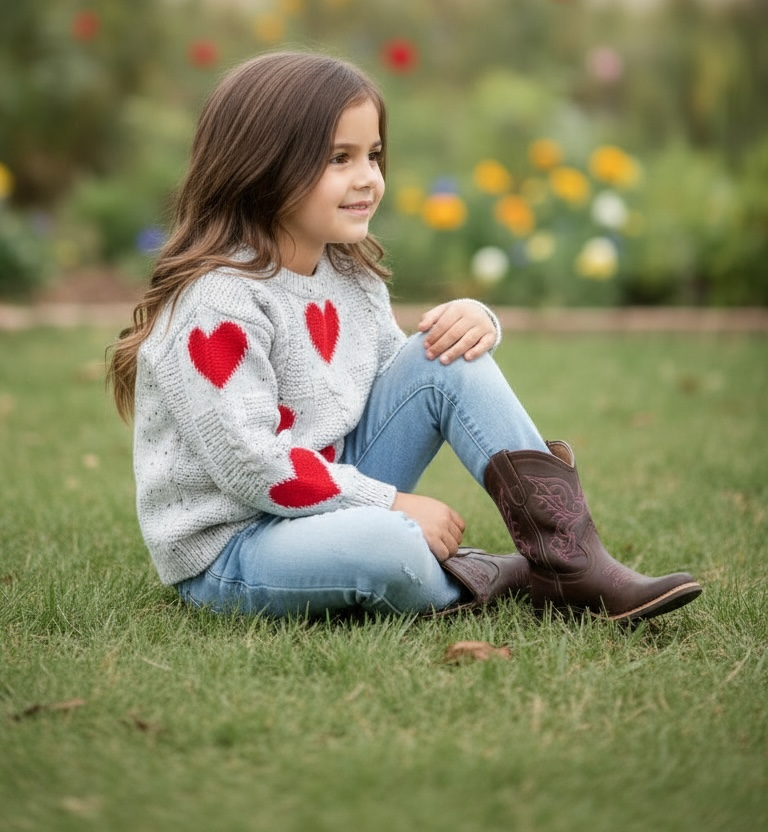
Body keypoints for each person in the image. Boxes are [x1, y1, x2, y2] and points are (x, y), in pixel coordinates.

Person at [109, 51, 701, 622]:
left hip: (324, 494)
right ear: (262, 165)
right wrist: (387, 503)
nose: (368, 178)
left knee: (447, 356)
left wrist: (474, 320)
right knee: (390, 546)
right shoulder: (219, 302)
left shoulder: (348, 272)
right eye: (339, 158)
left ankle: (570, 560)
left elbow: (409, 379)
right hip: (235, 548)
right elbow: (249, 463)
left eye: (373, 155)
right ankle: (494, 576)